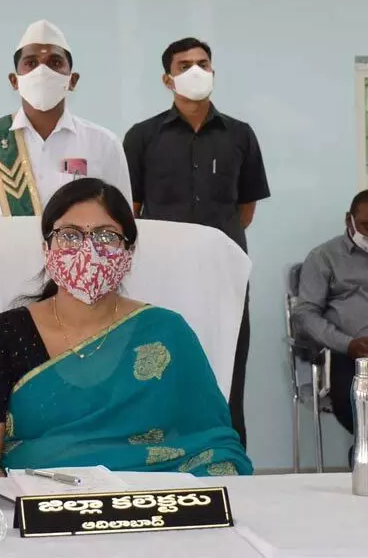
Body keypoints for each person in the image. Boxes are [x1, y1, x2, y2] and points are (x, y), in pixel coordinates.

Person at [0, 178, 251, 477]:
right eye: (69, 236)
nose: (88, 251)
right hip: (40, 508)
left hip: (152, 505)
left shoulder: (167, 332)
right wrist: (21, 511)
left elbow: (212, 445)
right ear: (47, 249)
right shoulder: (5, 335)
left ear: (128, 254)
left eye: (106, 236)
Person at [123, 37, 271, 448]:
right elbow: (131, 210)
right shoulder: (141, 137)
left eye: (203, 63)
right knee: (158, 370)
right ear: (166, 78)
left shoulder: (240, 135)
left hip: (224, 275)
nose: (195, 71)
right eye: (184, 64)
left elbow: (246, 211)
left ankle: (228, 457)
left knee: (228, 370)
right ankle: (157, 459)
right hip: (160, 278)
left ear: (213, 72)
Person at [0, 20, 132, 232]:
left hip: (80, 264)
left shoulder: (104, 143)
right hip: (8, 264)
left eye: (55, 63)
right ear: (14, 81)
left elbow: (122, 227)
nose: (42, 71)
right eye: (31, 63)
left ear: (72, 80)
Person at [294, 190, 368, 435]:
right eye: (367, 226)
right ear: (349, 220)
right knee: (355, 405)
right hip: (350, 353)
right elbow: (305, 314)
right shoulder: (324, 257)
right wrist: (347, 344)